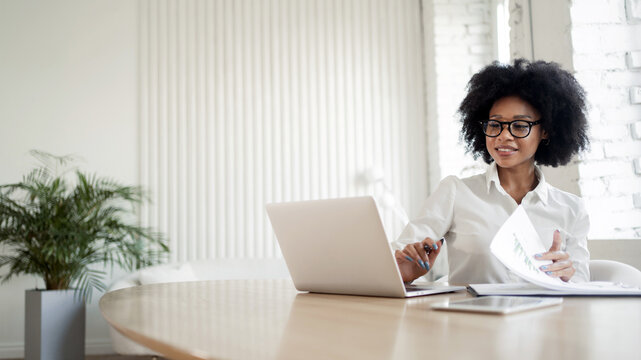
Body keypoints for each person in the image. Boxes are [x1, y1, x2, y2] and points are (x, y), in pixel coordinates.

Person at [395, 59, 590, 285]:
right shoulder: (456, 192)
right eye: (495, 125)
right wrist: (404, 271)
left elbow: (583, 288)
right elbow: (398, 257)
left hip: (543, 319)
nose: (503, 136)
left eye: (519, 126)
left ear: (545, 131)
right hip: (472, 318)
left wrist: (568, 277)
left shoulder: (571, 210)